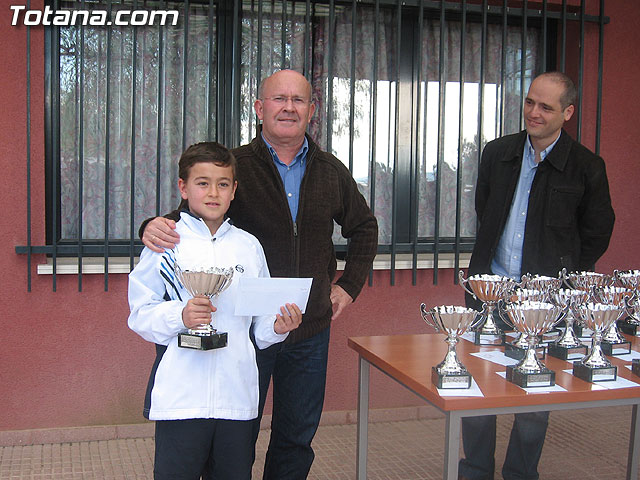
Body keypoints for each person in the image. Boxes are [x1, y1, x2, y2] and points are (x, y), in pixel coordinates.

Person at [139, 70, 378, 479]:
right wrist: (148, 225)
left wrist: (348, 288)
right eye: (279, 99)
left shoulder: (330, 171)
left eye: (298, 100)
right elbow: (190, 217)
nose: (288, 107)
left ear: (312, 111)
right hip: (247, 329)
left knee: (296, 437)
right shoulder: (236, 167)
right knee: (237, 432)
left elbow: (365, 228)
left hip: (307, 328)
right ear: (259, 108)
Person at [460, 71, 615, 480]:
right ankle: (475, 470)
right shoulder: (497, 153)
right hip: (488, 292)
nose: (533, 112)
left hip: (545, 304)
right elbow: (484, 211)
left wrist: (561, 282)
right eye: (530, 102)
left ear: (568, 112)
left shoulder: (586, 167)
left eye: (545, 106)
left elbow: (597, 233)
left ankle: (519, 474)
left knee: (534, 397)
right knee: (478, 389)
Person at [128, 142, 302, 480]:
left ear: (234, 190)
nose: (213, 193)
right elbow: (140, 313)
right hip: (182, 398)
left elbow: (261, 331)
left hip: (236, 397)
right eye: (202, 182)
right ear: (183, 187)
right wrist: (180, 315)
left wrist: (280, 327)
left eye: (223, 184)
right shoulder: (166, 242)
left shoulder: (248, 247)